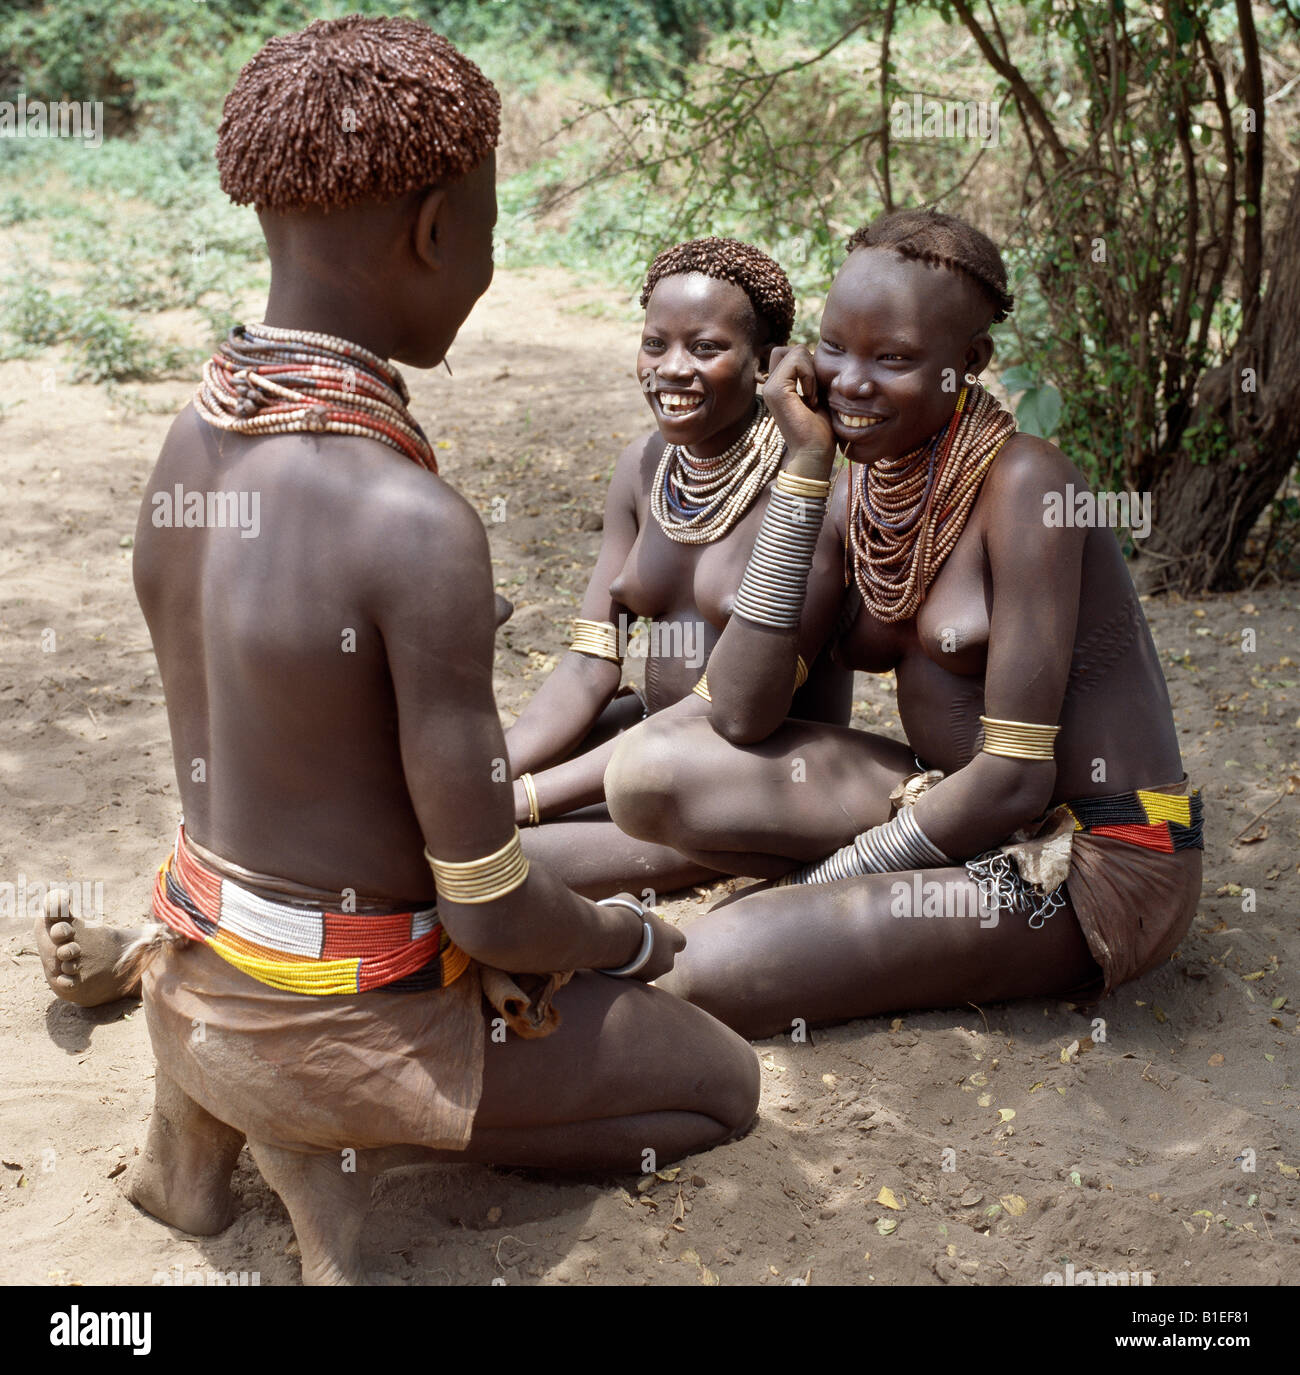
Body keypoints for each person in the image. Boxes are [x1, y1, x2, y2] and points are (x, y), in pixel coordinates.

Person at [35, 16, 757, 1284]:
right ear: (434, 230)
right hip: (334, 1024)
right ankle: (322, 1139)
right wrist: (630, 940)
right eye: (483, 225)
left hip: (192, 963)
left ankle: (205, 1123)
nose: (482, 256)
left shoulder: (192, 441)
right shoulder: (411, 523)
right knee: (719, 1085)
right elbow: (487, 901)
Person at [606, 209, 1203, 1041]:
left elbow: (1019, 781)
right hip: (950, 806)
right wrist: (808, 471)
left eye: (893, 358)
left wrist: (831, 878)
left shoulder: (1027, 485)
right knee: (650, 770)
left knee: (716, 960)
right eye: (835, 347)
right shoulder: (861, 482)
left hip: (1092, 854)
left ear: (970, 364)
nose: (850, 381)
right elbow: (741, 709)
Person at [504, 237, 851, 896]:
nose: (670, 368)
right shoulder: (643, 468)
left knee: (500, 865)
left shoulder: (809, 495)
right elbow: (589, 663)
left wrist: (524, 800)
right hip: (646, 745)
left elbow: (722, 712)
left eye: (707, 348)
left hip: (749, 774)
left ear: (766, 364)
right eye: (655, 343)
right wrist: (497, 775)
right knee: (460, 793)